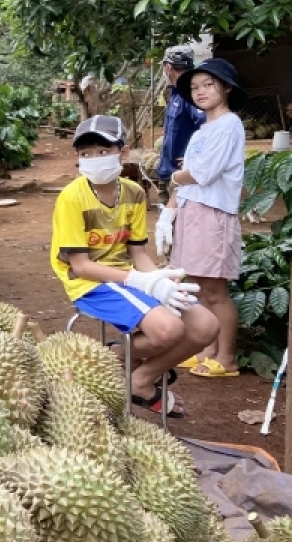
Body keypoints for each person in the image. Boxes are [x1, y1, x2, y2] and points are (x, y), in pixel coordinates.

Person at [50, 114, 218, 417]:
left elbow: (137, 252)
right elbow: (82, 266)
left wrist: (160, 279)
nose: (94, 159)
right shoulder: (72, 198)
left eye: (103, 151)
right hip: (90, 282)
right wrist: (144, 282)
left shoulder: (134, 192)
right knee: (168, 331)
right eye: (85, 153)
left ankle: (138, 377)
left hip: (126, 275)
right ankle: (114, 359)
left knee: (206, 326)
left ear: (123, 153)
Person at [157, 58, 246, 378]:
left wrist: (179, 175)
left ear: (226, 88)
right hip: (194, 212)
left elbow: (203, 173)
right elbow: (191, 175)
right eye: (194, 87)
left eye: (208, 84)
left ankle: (226, 358)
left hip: (214, 215)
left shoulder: (229, 124)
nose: (200, 91)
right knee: (196, 283)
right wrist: (170, 209)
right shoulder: (203, 129)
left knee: (214, 291)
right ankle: (207, 349)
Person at [156, 45, 205, 203]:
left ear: (168, 67)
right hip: (170, 173)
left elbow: (207, 126)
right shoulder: (175, 93)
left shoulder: (190, 94)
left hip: (182, 177)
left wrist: (196, 157)